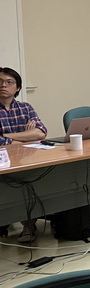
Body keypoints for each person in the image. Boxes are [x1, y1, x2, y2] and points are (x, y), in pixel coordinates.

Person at [0, 67, 47, 242]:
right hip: (2, 161)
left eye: (9, 82)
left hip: (25, 159)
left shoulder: (25, 108)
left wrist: (5, 136)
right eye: (0, 82)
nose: (3, 85)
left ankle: (29, 224)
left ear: (18, 88)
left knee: (33, 178)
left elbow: (41, 133)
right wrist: (25, 139)